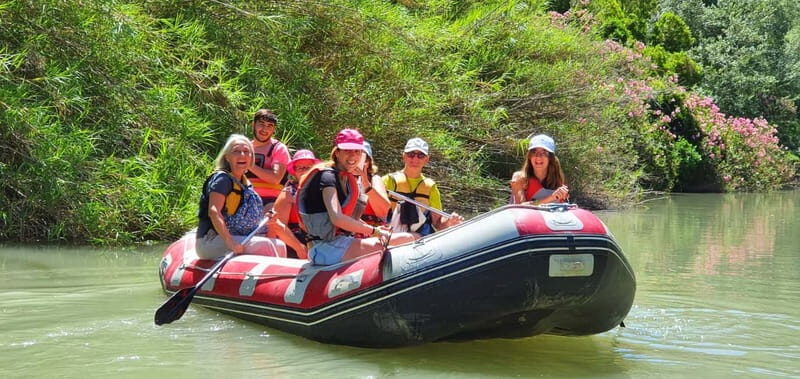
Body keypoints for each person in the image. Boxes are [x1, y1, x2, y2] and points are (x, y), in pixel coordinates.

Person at [296, 129, 416, 266]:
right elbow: (337, 217)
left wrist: (376, 231)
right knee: (382, 249)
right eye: (348, 150)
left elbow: (350, 216)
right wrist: (374, 231)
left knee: (406, 239)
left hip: (340, 242)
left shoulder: (345, 178)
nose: (353, 156)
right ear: (337, 152)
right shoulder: (327, 177)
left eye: (357, 151)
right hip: (323, 248)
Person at [196, 134, 287, 259]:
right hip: (211, 240)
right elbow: (214, 211)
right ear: (227, 157)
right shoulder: (222, 179)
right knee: (265, 246)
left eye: (246, 152)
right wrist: (230, 242)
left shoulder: (244, 183)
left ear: (251, 158)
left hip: (237, 236)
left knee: (280, 245)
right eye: (236, 151)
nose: (242, 155)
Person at [383, 137, 463, 237]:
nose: (415, 159)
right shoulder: (387, 181)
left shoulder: (430, 187)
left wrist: (449, 222)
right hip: (392, 235)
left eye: (420, 155)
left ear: (426, 159)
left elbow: (438, 224)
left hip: (421, 240)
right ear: (404, 156)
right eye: (411, 154)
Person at [268, 149, 320, 259]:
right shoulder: (287, 194)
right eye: (300, 168)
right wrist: (299, 248)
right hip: (293, 246)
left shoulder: (322, 191)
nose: (305, 171)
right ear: (294, 171)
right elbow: (276, 227)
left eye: (308, 168)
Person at [246, 109, 290, 210]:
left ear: (274, 130)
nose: (264, 129)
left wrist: (248, 164)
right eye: (261, 124)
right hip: (244, 197)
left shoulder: (278, 148)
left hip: (270, 200)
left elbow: (275, 178)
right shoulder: (244, 148)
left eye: (269, 126)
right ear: (253, 125)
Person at [510, 134, 569, 205]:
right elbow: (520, 206)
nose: (538, 156)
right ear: (529, 156)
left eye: (544, 153)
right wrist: (551, 198)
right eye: (534, 152)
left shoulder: (557, 180)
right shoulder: (519, 178)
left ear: (550, 158)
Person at [357, 141, 392, 228]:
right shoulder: (339, 178)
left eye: (361, 157)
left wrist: (366, 184)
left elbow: (382, 212)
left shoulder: (374, 180)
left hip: (373, 229)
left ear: (368, 162)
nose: (356, 160)